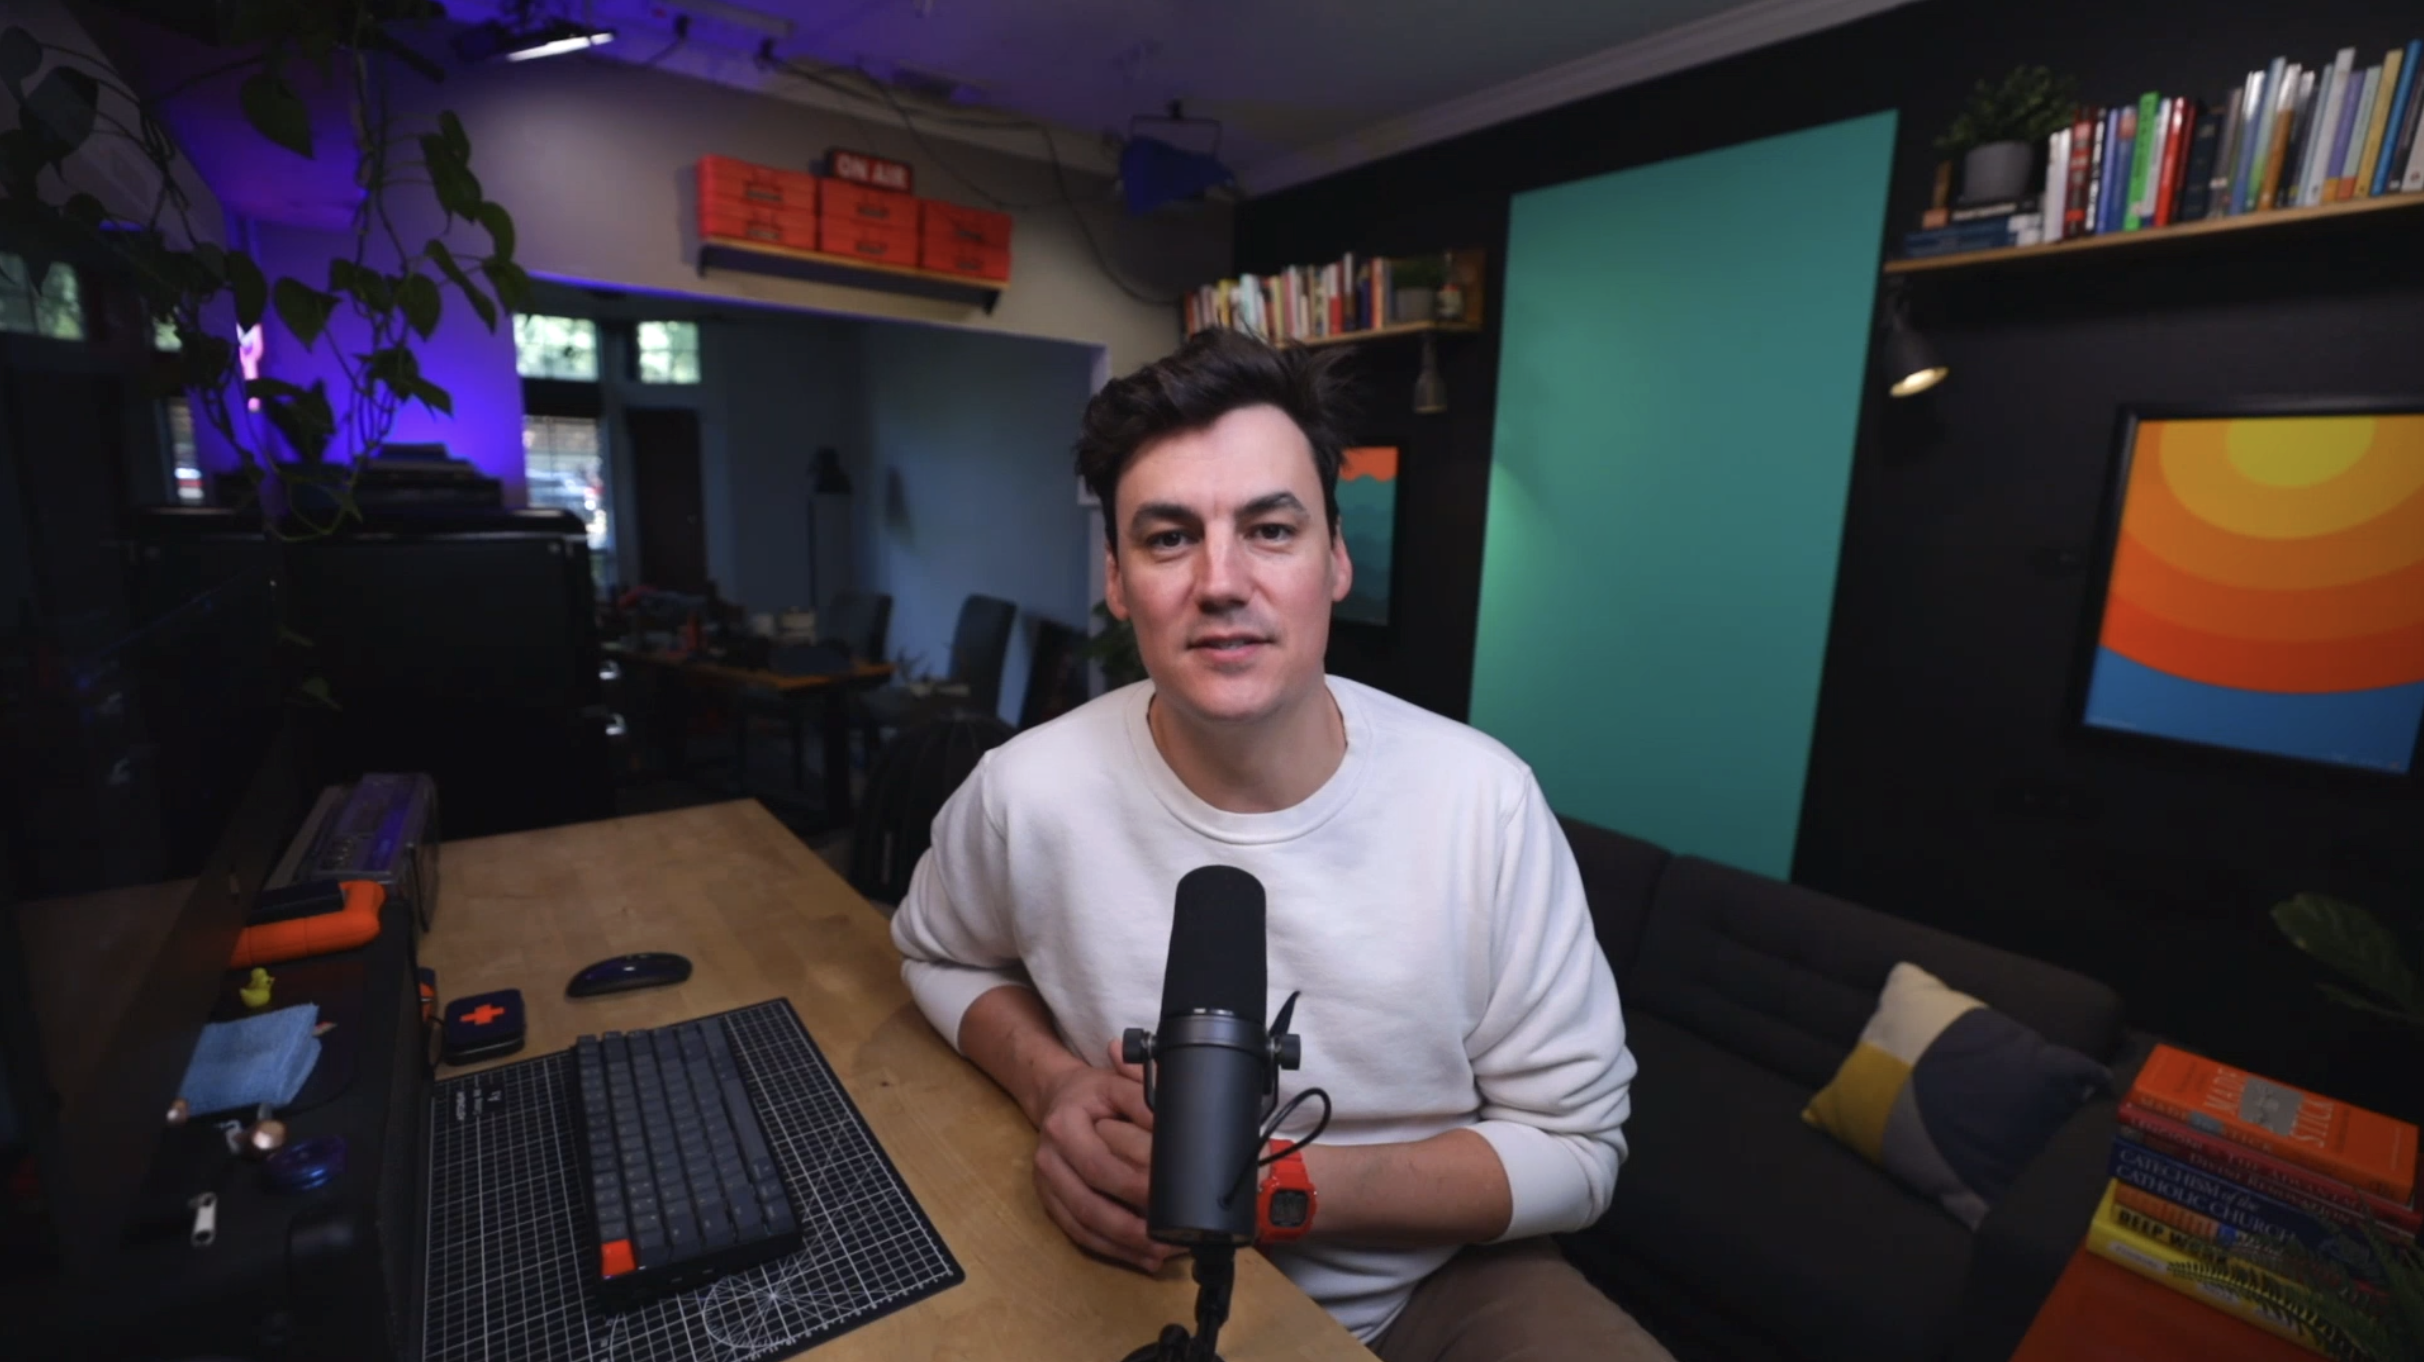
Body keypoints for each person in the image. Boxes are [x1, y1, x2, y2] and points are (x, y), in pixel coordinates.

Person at [889, 328, 1668, 1362]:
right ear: (1117, 578)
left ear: (1334, 557)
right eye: (1170, 538)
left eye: (1269, 528)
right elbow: (936, 954)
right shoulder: (1026, 792)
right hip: (1116, 1272)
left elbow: (1578, 1148)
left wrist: (1260, 1192)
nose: (1221, 581)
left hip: (1425, 1288)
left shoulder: (1485, 806)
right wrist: (1054, 1085)